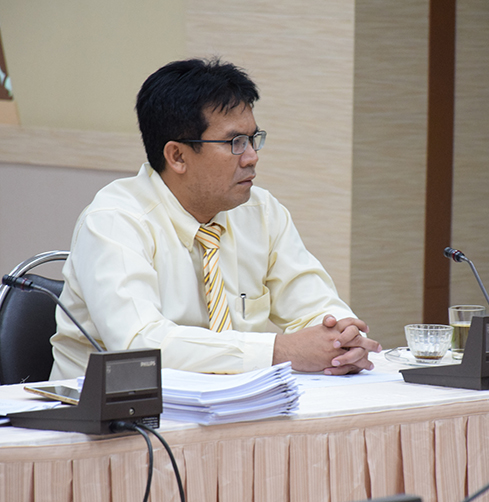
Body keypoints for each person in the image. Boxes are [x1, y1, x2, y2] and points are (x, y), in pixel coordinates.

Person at [50, 58, 381, 380]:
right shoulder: (115, 221)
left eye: (253, 139)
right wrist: (277, 350)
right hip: (109, 410)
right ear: (177, 156)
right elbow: (140, 343)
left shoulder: (261, 211)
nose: (251, 157)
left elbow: (315, 304)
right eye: (235, 142)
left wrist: (343, 339)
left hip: (235, 405)